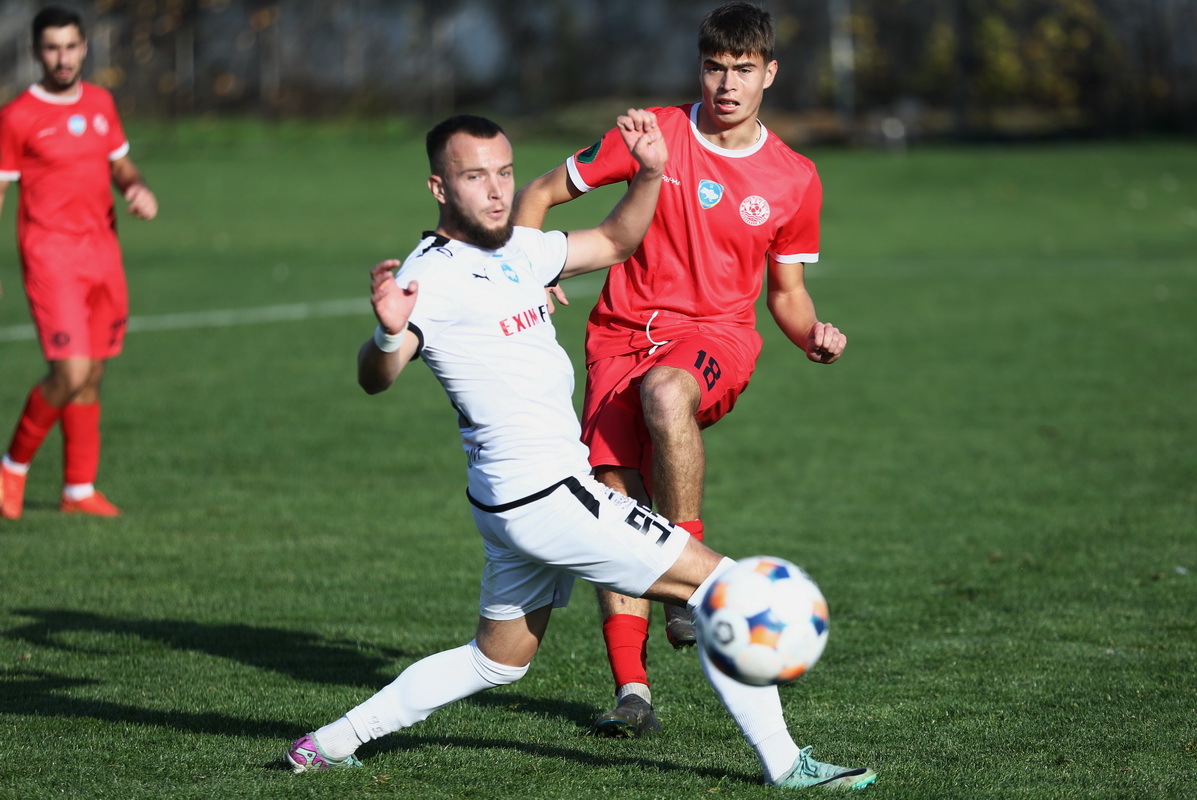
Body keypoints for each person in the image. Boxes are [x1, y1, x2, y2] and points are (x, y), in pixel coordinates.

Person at [283, 112, 875, 791]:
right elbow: (375, 378)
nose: (496, 190)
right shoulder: (431, 277)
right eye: (474, 177)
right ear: (439, 188)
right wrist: (388, 336)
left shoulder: (517, 248)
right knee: (725, 587)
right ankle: (786, 765)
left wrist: (649, 174)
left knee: (496, 660)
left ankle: (327, 744)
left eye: (504, 173)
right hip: (547, 497)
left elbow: (617, 239)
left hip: (511, 499)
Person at [512, 1, 847, 738]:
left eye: (743, 70)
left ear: (769, 74)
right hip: (617, 337)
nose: (727, 84)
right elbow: (536, 195)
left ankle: (685, 584)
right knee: (612, 501)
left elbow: (786, 293)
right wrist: (527, 270)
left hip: (715, 337)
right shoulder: (652, 136)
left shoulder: (794, 177)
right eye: (715, 68)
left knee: (666, 396)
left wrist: (811, 335)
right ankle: (632, 692)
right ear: (700, 68)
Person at [0, 6, 158, 520]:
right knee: (69, 372)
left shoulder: (100, 102)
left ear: (85, 47)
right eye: (52, 48)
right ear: (35, 52)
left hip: (103, 255)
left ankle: (78, 489)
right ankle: (11, 468)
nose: (62, 58)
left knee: (92, 375)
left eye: (71, 46)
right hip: (50, 258)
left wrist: (135, 187)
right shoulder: (17, 116)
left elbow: (120, 162)